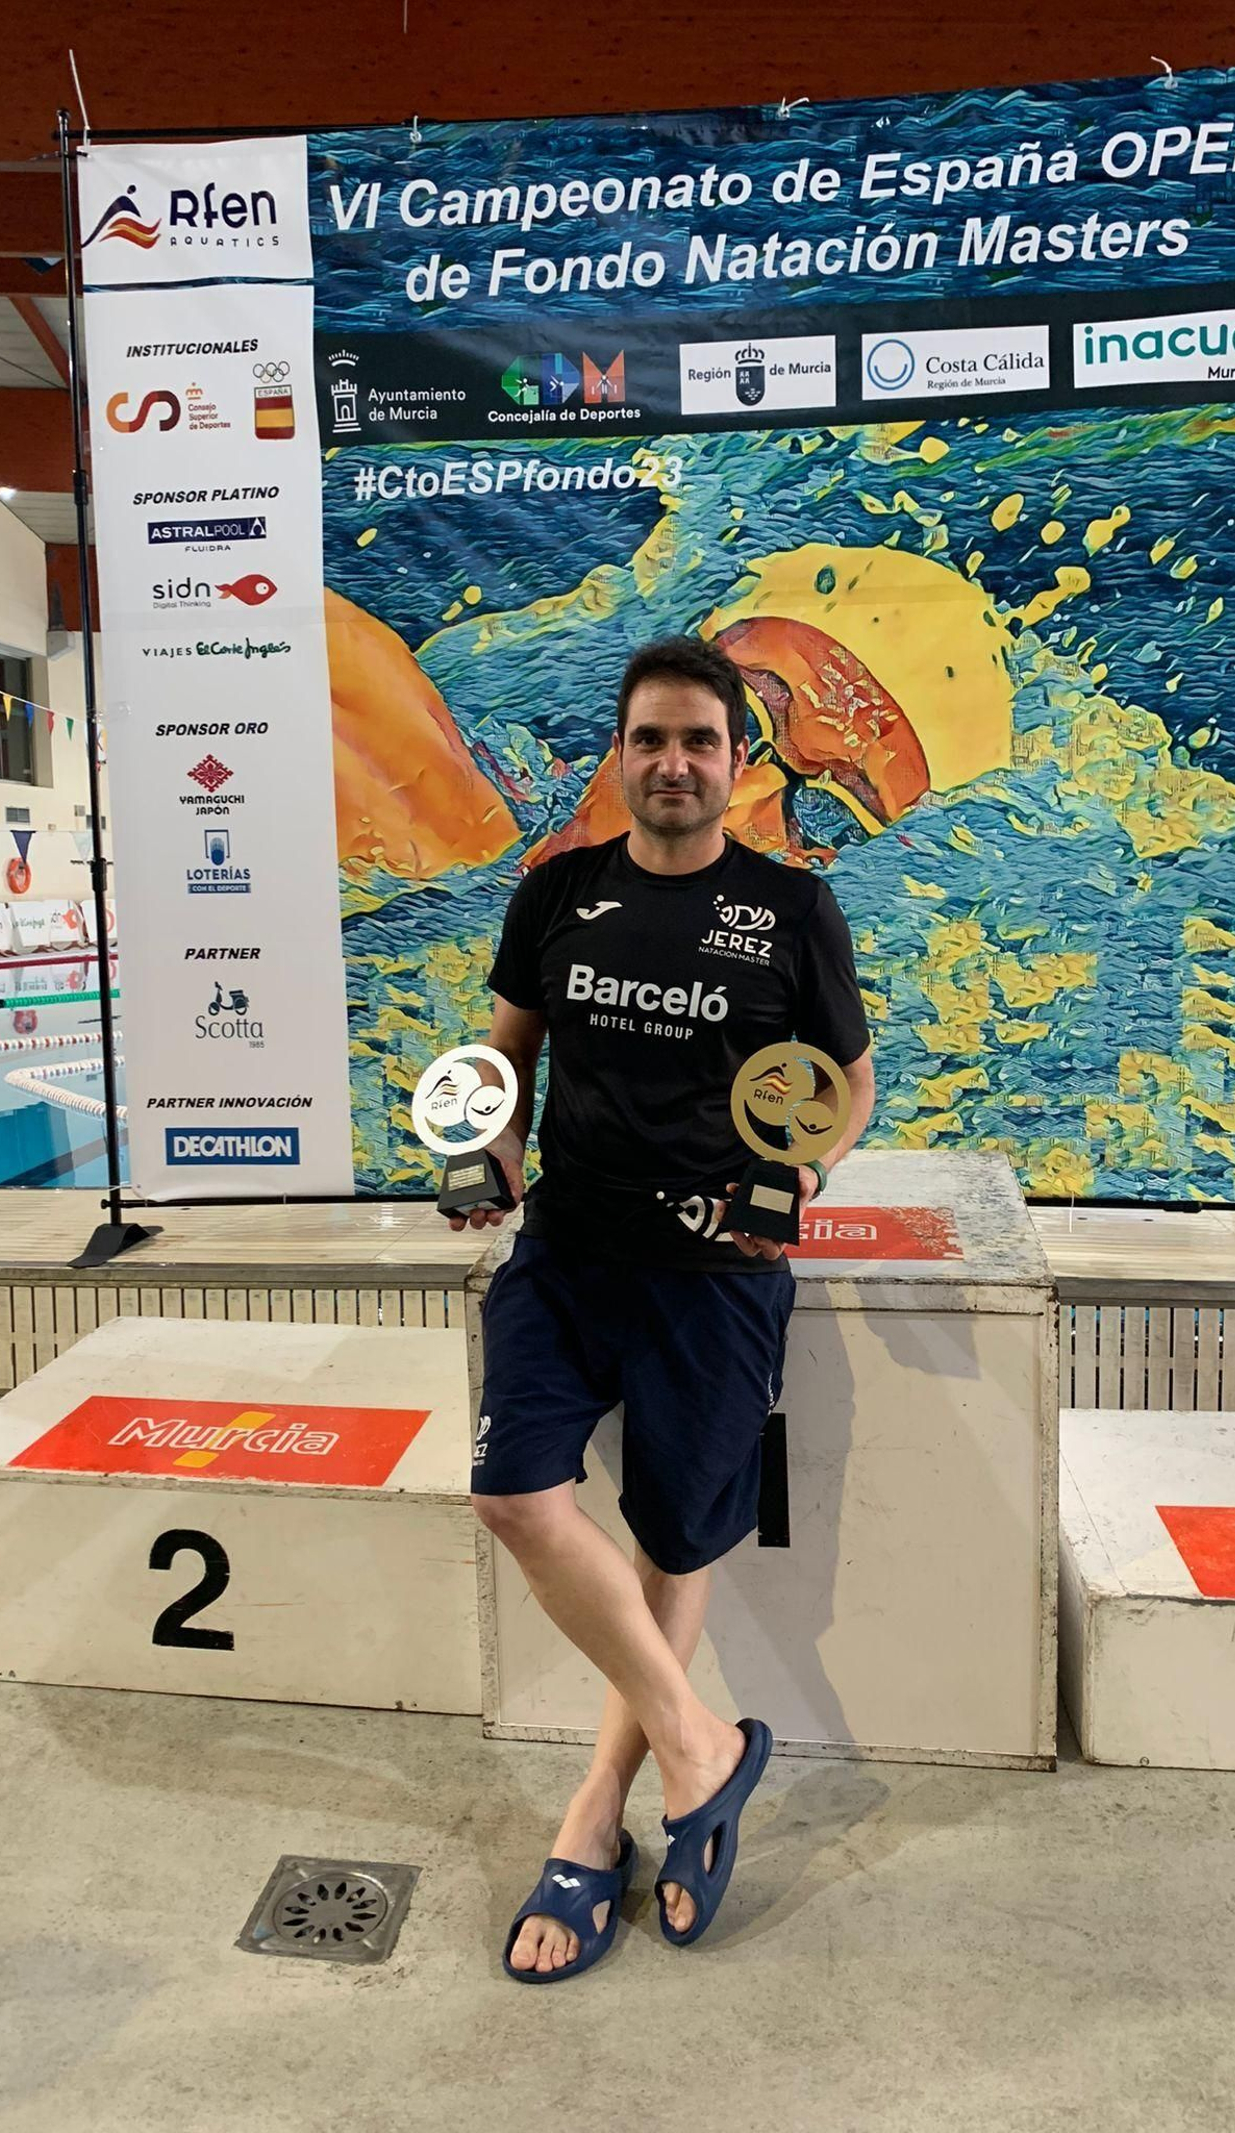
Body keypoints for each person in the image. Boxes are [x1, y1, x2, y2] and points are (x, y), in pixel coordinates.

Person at [459, 634, 875, 1982]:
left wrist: (803, 1167)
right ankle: (705, 1752)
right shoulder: (558, 892)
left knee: (673, 1546)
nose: (675, 762)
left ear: (738, 761)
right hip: (567, 1254)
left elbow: (850, 1083)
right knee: (516, 1493)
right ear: (618, 756)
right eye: (650, 738)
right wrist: (487, 1151)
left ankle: (595, 1822)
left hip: (715, 1274)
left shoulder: (792, 908)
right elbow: (503, 1063)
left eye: (701, 739)